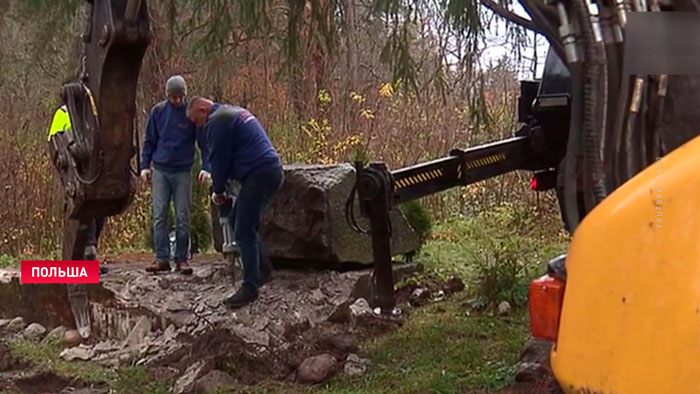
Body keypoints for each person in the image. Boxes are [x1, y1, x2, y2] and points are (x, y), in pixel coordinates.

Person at [186, 97, 283, 309]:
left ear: (203, 110)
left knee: (243, 229)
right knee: (236, 220)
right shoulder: (231, 112)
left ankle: (250, 287)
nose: (197, 126)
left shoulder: (217, 122)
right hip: (268, 169)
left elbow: (220, 159)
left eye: (196, 121)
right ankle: (263, 270)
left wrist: (218, 189)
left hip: (259, 173)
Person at [140, 75, 211, 275]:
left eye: (180, 97)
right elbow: (149, 141)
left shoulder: (191, 114)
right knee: (159, 215)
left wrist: (206, 166)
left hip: (182, 171)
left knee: (183, 216)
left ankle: (181, 259)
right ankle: (161, 258)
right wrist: (145, 165)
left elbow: (203, 143)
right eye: (173, 97)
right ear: (168, 96)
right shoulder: (158, 112)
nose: (177, 101)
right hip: (161, 169)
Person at [47, 102, 108, 274]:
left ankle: (89, 256)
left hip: (94, 171)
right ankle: (84, 260)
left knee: (99, 213)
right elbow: (55, 144)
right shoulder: (63, 114)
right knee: (84, 213)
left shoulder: (92, 113)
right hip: (75, 173)